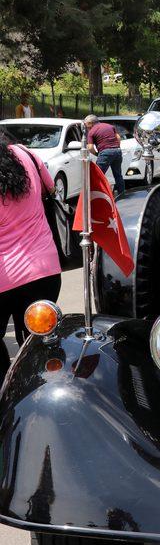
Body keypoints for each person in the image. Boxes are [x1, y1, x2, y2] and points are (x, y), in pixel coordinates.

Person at [0, 132, 62, 386]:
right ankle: (40, 394)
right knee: (39, 340)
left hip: (4, 278)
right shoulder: (28, 155)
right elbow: (52, 189)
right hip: (44, 269)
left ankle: (8, 391)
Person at [84, 114, 125, 197]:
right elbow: (118, 137)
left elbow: (90, 147)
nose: (86, 127)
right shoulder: (109, 126)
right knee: (118, 175)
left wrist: (97, 154)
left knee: (98, 175)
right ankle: (122, 194)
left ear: (91, 123)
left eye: (86, 125)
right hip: (117, 151)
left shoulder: (91, 131)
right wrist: (116, 147)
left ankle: (100, 196)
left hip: (105, 152)